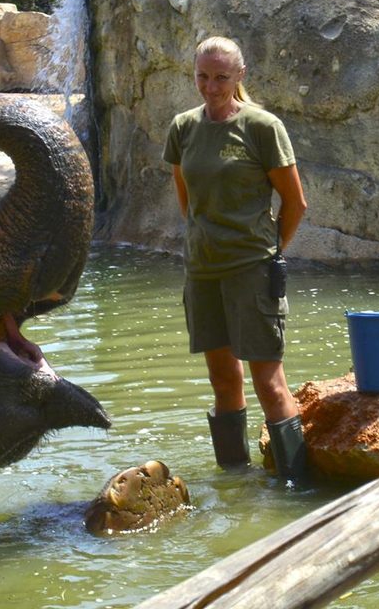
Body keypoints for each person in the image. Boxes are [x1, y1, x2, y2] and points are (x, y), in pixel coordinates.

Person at [163, 35, 311, 485]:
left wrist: (268, 252)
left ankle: (294, 485)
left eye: (221, 77)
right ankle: (234, 479)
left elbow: (296, 203)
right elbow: (186, 199)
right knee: (223, 381)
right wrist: (203, 240)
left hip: (251, 268)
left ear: (240, 76)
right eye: (202, 76)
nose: (210, 87)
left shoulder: (262, 127)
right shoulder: (183, 127)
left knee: (269, 383)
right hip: (203, 271)